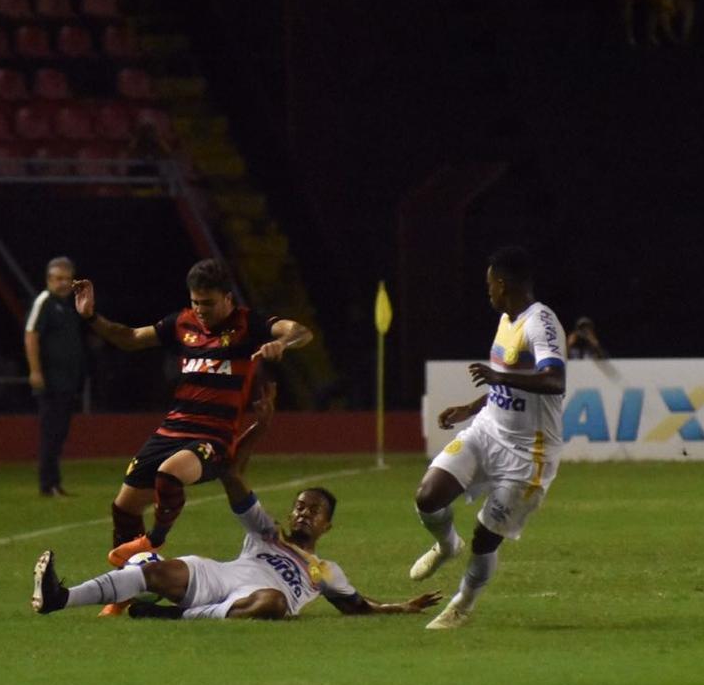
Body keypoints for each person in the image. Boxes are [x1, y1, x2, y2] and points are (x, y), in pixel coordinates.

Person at [31, 383, 442, 620]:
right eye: (300, 505)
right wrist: (256, 432)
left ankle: (175, 616)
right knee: (160, 574)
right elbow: (235, 475)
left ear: (327, 526)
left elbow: (357, 607)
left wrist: (402, 607)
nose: (304, 511)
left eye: (314, 510)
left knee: (275, 602)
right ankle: (60, 598)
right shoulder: (267, 534)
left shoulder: (326, 570)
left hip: (257, 599)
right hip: (220, 578)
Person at [72, 258, 312, 615]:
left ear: (228, 299)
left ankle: (155, 539)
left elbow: (301, 331)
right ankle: (126, 589)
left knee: (170, 473)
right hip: (172, 428)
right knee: (124, 506)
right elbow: (131, 338)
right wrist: (91, 316)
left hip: (214, 437)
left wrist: (284, 345)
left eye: (208, 303)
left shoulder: (250, 324)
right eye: (196, 302)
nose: (200, 310)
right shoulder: (182, 322)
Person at [408, 246, 566, 629]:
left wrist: (498, 378)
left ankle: (463, 602)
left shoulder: (540, 322)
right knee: (428, 496)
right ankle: (447, 544)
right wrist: (472, 407)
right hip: (487, 431)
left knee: (485, 538)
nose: (487, 291)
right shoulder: (507, 320)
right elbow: (510, 382)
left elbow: (553, 379)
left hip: (528, 455)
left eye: (489, 284)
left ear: (502, 283)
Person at [25, 257, 87, 498]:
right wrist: (36, 370)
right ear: (49, 279)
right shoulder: (45, 302)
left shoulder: (68, 305)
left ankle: (54, 482)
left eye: (67, 279)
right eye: (58, 279)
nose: (63, 283)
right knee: (51, 431)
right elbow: (31, 335)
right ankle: (47, 483)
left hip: (66, 380)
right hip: (50, 380)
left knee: (59, 432)